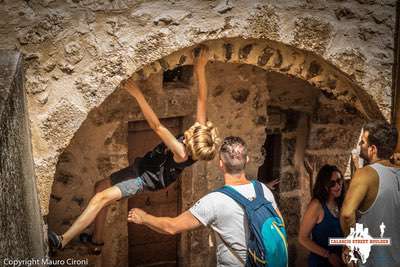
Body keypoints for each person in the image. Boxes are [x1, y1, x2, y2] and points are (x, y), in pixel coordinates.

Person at [48, 48, 220, 254]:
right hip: (142, 167)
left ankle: (62, 240)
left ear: (190, 144)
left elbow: (157, 126)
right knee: (99, 187)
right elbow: (202, 99)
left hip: (142, 180)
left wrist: (137, 94)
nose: (191, 129)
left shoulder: (181, 152)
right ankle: (97, 241)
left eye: (191, 133)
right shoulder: (199, 137)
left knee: (101, 197)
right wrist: (200, 67)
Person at [128, 136, 284, 266]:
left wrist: (143, 217)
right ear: (247, 160)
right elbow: (280, 224)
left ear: (221, 164)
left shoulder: (215, 201)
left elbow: (172, 227)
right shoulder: (263, 190)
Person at [340, 120, 400, 267]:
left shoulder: (366, 174)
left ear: (372, 149)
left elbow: (347, 214)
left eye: (363, 142)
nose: (360, 145)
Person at [299, 164, 345, 267]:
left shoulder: (340, 203)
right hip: (320, 263)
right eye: (332, 184)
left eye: (339, 181)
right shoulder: (316, 206)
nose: (338, 186)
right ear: (325, 185)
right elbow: (302, 238)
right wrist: (328, 255)